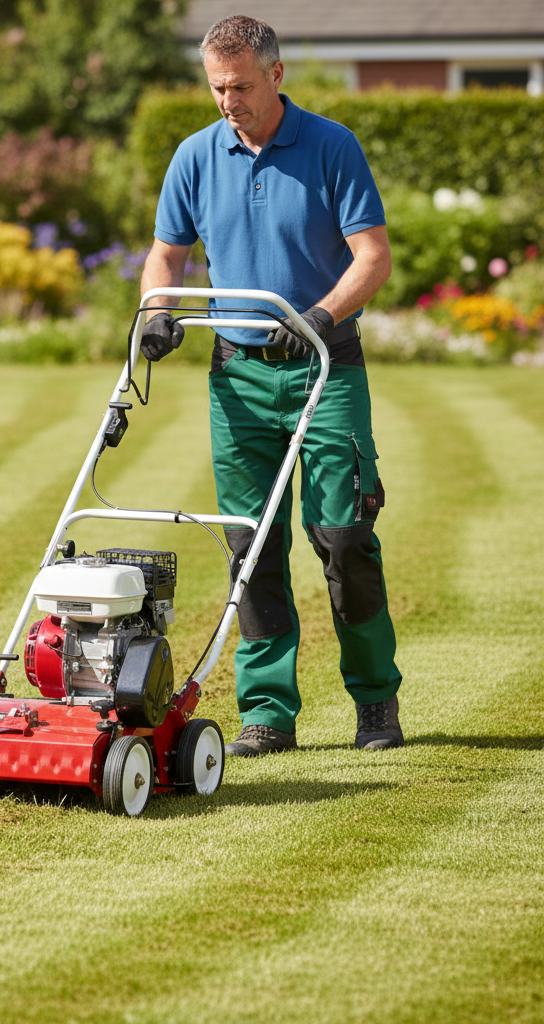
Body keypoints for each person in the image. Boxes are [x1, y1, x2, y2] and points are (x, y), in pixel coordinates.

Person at [138, 14, 403, 755]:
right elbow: (166, 256)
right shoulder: (195, 156)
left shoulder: (331, 146)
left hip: (326, 367)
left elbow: (373, 257)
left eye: (242, 87)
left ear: (276, 75)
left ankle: (376, 702)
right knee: (249, 545)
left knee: (344, 537)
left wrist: (318, 315)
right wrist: (156, 312)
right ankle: (267, 714)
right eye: (217, 88)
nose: (229, 102)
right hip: (238, 376)